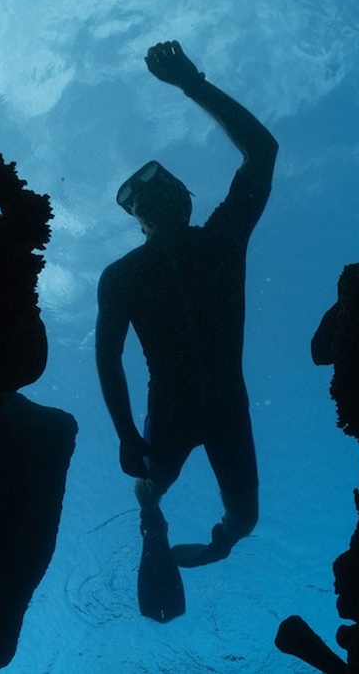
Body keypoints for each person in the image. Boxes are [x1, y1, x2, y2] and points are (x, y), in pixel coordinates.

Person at [95, 40, 278, 568]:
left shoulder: (216, 241)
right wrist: (127, 433)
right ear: (140, 218)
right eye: (137, 199)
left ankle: (217, 543)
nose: (148, 199)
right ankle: (153, 520)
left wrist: (192, 84)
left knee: (242, 520)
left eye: (158, 187)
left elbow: (263, 151)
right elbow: (107, 357)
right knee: (152, 488)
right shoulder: (130, 272)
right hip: (197, 408)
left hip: (210, 409)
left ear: (183, 198)